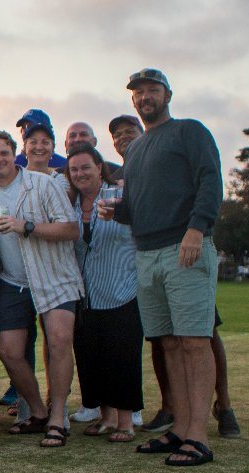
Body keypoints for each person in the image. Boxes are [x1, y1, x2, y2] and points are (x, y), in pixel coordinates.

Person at [101, 67, 224, 466]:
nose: (144, 97)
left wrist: (197, 229)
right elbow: (136, 207)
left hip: (184, 246)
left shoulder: (190, 131)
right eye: (138, 92)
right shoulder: (135, 150)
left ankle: (200, 437)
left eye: (152, 90)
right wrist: (115, 212)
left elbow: (210, 179)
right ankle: (181, 428)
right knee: (168, 341)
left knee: (193, 340)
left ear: (167, 94)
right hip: (147, 252)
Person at [0, 129, 83, 447]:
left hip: (54, 276)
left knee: (59, 342)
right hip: (13, 282)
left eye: (3, 153)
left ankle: (57, 418)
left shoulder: (43, 184)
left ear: (15, 154)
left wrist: (27, 226)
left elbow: (71, 229)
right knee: (9, 351)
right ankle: (38, 411)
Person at [65, 146, 143, 443]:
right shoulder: (72, 204)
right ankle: (106, 417)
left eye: (86, 167)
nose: (80, 174)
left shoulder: (118, 195)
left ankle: (126, 422)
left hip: (121, 287)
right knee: (92, 357)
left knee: (122, 358)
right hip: (87, 294)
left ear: (100, 167)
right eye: (74, 170)